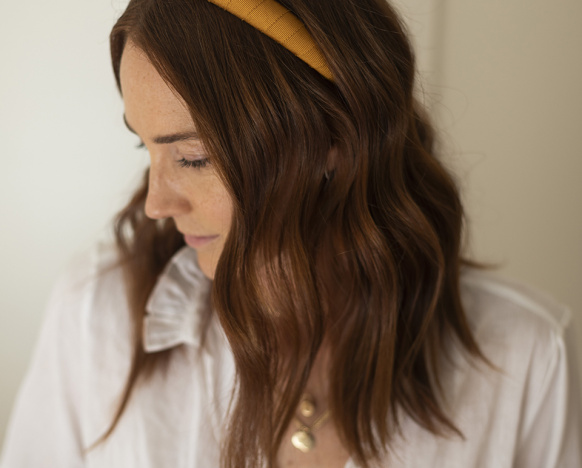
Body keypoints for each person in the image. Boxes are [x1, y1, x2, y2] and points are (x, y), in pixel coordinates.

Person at [1, 0, 581, 467]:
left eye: (194, 157)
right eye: (145, 146)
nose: (157, 203)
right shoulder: (96, 317)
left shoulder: (524, 359)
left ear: (335, 138)